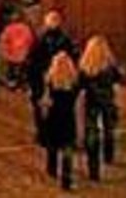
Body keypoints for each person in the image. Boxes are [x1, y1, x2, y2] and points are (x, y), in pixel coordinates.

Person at [27, 11, 79, 140]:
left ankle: (43, 133)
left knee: (41, 107)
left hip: (44, 78)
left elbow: (32, 61)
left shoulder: (40, 39)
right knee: (64, 108)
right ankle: (64, 134)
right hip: (61, 79)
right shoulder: (65, 39)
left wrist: (31, 80)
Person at [77, 34, 121, 182]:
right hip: (107, 101)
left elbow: (80, 86)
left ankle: (93, 169)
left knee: (92, 133)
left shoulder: (85, 67)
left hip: (92, 102)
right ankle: (109, 155)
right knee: (109, 128)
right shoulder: (110, 67)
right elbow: (117, 80)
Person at [39, 50, 81, 191]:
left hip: (54, 115)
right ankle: (66, 178)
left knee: (53, 144)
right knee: (67, 148)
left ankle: (51, 168)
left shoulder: (50, 81)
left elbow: (46, 100)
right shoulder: (74, 83)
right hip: (68, 116)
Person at [0, 10, 36, 91]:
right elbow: (30, 41)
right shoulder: (26, 29)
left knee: (13, 67)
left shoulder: (9, 28)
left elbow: (3, 40)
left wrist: (5, 51)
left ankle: (13, 81)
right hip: (21, 53)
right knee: (19, 68)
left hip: (12, 53)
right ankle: (18, 82)